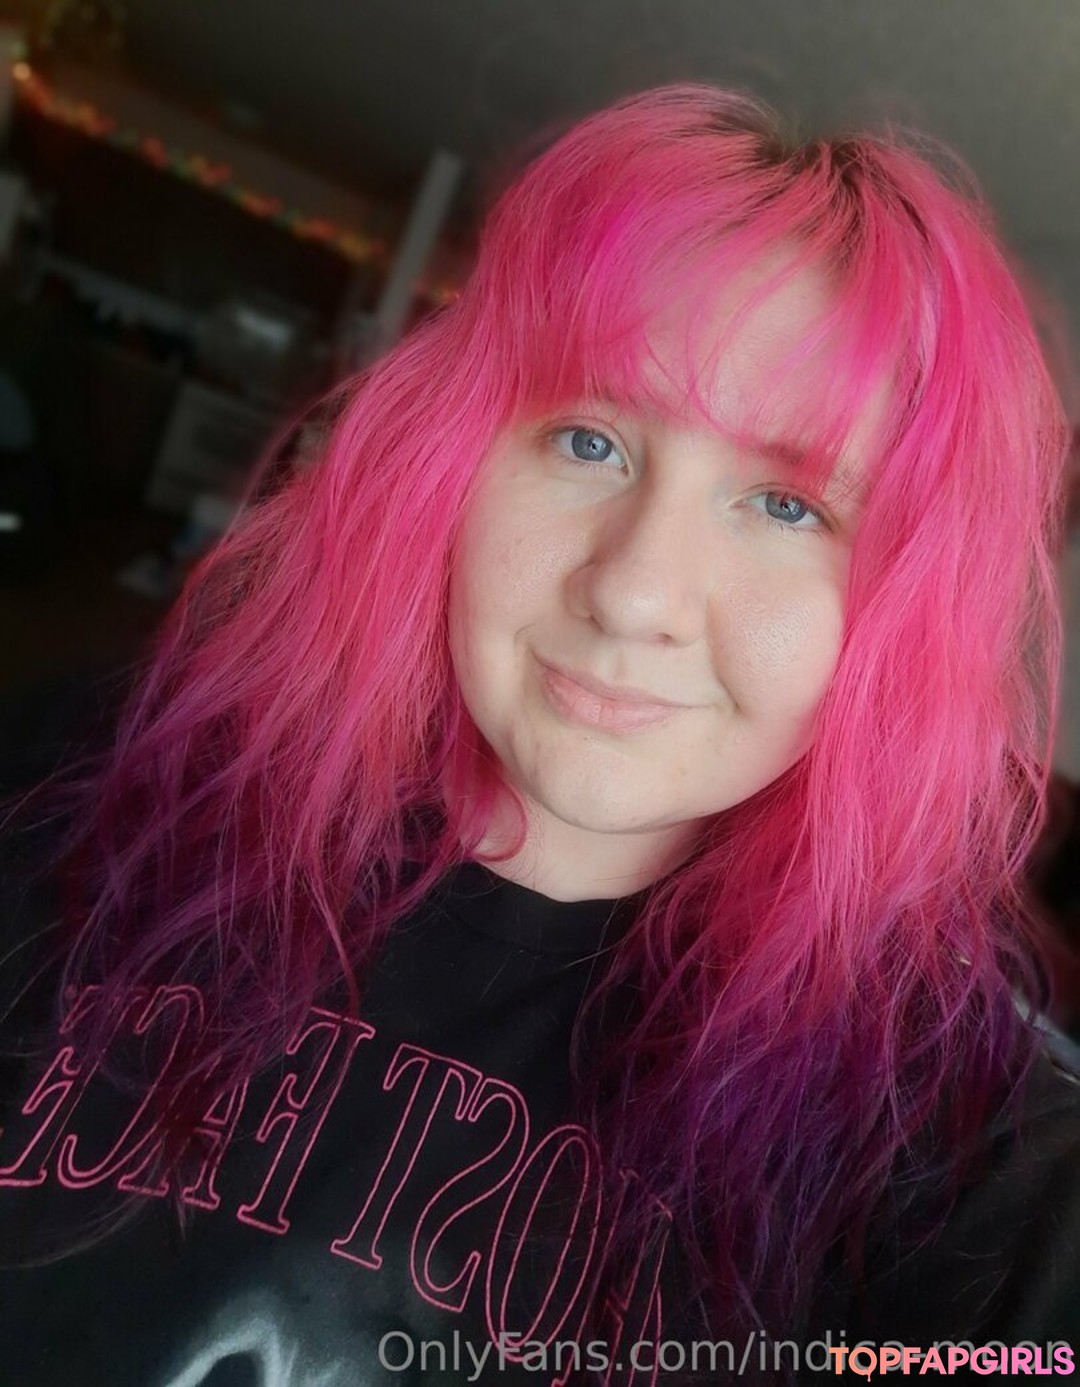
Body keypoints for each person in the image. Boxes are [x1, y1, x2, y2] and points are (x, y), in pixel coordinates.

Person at [1, 84, 1078, 1385]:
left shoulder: (962, 1168)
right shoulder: (77, 788)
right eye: (588, 440)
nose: (631, 593)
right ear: (452, 464)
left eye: (788, 506)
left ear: (909, 605)